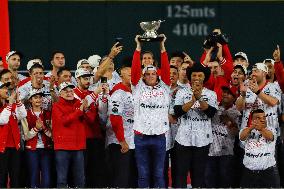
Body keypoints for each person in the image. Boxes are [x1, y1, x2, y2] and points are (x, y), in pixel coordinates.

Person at [131, 34, 170, 188]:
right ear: (143, 76)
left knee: (159, 174)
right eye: (147, 74)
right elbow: (134, 70)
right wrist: (138, 47)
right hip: (141, 136)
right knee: (143, 174)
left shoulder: (165, 86)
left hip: (159, 136)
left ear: (158, 74)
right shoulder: (137, 87)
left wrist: (162, 47)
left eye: (154, 73)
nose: (151, 76)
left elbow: (166, 68)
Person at [173, 63, 218, 188]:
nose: (196, 77)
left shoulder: (211, 94)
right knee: (181, 174)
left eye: (199, 75)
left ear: (204, 77)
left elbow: (211, 113)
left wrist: (199, 98)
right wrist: (193, 100)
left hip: (203, 140)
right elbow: (178, 111)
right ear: (189, 77)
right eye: (194, 75)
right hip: (183, 140)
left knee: (198, 175)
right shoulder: (181, 92)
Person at [51, 82, 89, 187]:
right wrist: (79, 111)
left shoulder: (79, 104)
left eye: (71, 90)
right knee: (62, 179)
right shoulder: (56, 106)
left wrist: (86, 109)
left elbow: (90, 119)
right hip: (63, 147)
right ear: (60, 94)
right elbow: (64, 120)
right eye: (66, 91)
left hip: (78, 146)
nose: (69, 93)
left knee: (80, 179)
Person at [106, 63, 137, 187]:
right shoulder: (118, 92)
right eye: (127, 69)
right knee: (121, 179)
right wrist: (121, 140)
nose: (131, 71)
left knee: (132, 178)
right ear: (120, 73)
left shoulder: (135, 91)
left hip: (133, 141)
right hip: (119, 143)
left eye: (133, 69)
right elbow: (114, 118)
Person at [205, 86, 240, 187]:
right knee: (209, 178)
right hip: (211, 150)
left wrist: (229, 121)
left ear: (234, 97)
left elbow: (236, 133)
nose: (225, 94)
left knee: (224, 179)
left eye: (229, 93)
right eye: (224, 92)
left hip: (226, 151)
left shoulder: (236, 112)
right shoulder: (214, 107)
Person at [239, 109, 280, 187]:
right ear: (252, 119)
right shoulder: (245, 130)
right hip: (249, 173)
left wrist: (260, 128)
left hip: (268, 172)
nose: (262, 120)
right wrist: (251, 128)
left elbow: (270, 137)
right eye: (258, 118)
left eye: (264, 117)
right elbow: (242, 137)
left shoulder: (271, 129)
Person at [21, 89, 52, 187]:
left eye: (40, 97)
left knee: (47, 179)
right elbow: (25, 136)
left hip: (46, 149)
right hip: (31, 150)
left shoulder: (48, 113)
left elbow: (53, 134)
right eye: (35, 97)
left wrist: (43, 129)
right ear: (30, 100)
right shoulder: (25, 114)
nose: (38, 99)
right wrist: (36, 128)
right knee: (33, 177)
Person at [0, 81, 27, 187]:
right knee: (1, 176)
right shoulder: (9, 106)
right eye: (3, 88)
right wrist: (11, 104)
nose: (7, 90)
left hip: (14, 146)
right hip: (2, 147)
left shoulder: (11, 105)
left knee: (15, 176)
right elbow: (2, 120)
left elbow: (23, 114)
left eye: (7, 88)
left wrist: (18, 100)